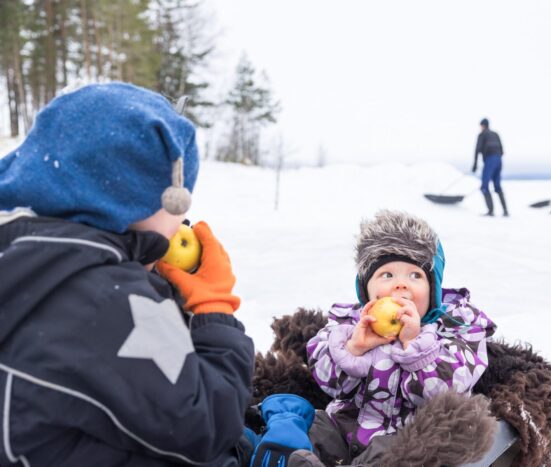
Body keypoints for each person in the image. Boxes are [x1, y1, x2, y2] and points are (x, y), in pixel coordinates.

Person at [0, 83, 256, 466]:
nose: (183, 222)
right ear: (143, 196)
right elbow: (206, 425)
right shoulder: (109, 299)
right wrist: (214, 308)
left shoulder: (29, 258)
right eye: (181, 199)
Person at [303, 210, 497, 466]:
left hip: (408, 439)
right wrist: (353, 349)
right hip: (347, 428)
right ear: (365, 288)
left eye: (415, 275)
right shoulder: (348, 323)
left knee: (391, 454)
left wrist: (415, 347)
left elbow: (447, 392)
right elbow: (324, 378)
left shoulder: (456, 327)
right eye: (387, 275)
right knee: (314, 428)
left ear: (433, 289)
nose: (401, 285)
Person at [473, 118, 508, 216]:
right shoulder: (496, 134)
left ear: (482, 125)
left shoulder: (482, 135)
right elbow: (502, 150)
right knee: (497, 186)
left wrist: (475, 164)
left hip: (490, 160)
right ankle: (505, 211)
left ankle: (491, 211)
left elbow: (477, 149)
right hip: (499, 160)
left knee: (484, 186)